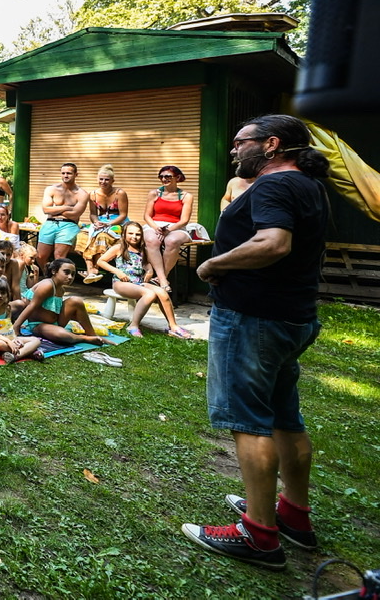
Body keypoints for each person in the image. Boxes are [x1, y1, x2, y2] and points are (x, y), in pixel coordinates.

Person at [182, 115, 329, 570]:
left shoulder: (272, 187)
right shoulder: (310, 187)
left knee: (249, 421)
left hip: (255, 319)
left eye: (239, 142)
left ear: (270, 145)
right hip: (292, 317)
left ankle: (259, 534)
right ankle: (293, 514)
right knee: (285, 415)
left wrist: (213, 266)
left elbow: (273, 243)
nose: (233, 150)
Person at [96, 222, 188, 338]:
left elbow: (148, 264)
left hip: (138, 282)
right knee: (149, 294)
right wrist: (118, 272)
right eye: (130, 233)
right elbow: (101, 261)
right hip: (122, 283)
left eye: (138, 234)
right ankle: (133, 326)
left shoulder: (143, 250)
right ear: (124, 234)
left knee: (162, 293)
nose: (134, 237)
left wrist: (149, 271)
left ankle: (173, 326)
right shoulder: (118, 248)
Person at [13, 258, 113, 347]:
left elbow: (54, 308)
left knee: (76, 300)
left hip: (56, 322)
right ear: (54, 271)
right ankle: (85, 338)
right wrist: (16, 327)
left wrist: (77, 316)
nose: (70, 277)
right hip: (39, 325)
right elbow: (31, 306)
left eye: (73, 274)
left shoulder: (61, 289)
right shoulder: (47, 285)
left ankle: (93, 335)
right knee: (63, 335)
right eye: (66, 272)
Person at [142, 165, 195, 292]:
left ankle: (161, 277)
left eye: (168, 176)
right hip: (155, 225)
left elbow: (184, 220)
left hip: (176, 226)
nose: (164, 179)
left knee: (172, 241)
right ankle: (163, 280)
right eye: (161, 176)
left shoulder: (186, 196)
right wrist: (156, 228)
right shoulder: (154, 193)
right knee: (151, 240)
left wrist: (169, 230)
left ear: (177, 177)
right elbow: (147, 216)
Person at [36, 163, 89, 268]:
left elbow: (74, 215)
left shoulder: (82, 193)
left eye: (69, 173)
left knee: (59, 256)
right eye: (63, 173)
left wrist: (54, 209)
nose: (65, 175)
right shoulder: (51, 189)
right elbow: (45, 209)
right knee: (40, 256)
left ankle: (59, 281)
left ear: (76, 174)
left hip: (69, 225)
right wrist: (66, 207)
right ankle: (49, 276)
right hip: (50, 223)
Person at [79, 164, 128, 279]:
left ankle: (95, 268)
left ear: (112, 181)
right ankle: (90, 269)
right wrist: (95, 222)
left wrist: (109, 224)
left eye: (107, 179)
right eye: (101, 179)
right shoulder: (93, 194)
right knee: (82, 236)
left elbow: (123, 214)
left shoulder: (119, 193)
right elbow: (93, 213)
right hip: (100, 222)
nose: (103, 182)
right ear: (97, 179)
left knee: (102, 236)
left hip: (117, 222)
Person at [0, 276, 42, 363]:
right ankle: (28, 352)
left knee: (36, 340)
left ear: (7, 294)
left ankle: (16, 356)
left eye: (2, 293)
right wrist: (8, 341)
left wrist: (14, 339)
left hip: (7, 337)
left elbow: (8, 326)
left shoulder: (7, 308)